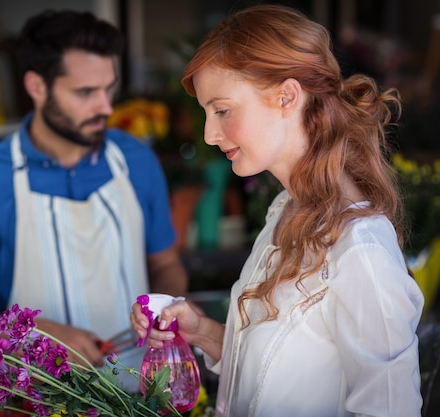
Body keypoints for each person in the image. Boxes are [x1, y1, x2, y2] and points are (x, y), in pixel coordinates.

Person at [131, 4, 424, 417]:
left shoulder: (362, 250)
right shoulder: (284, 211)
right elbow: (275, 372)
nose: (210, 135)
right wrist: (204, 333)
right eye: (206, 113)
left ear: (286, 96)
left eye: (222, 110)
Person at [0, 9, 188, 370]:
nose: (105, 107)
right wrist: (35, 336)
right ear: (37, 87)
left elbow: (166, 263)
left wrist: (165, 309)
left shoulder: (136, 161)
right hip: (33, 401)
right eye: (86, 92)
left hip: (142, 392)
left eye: (109, 88)